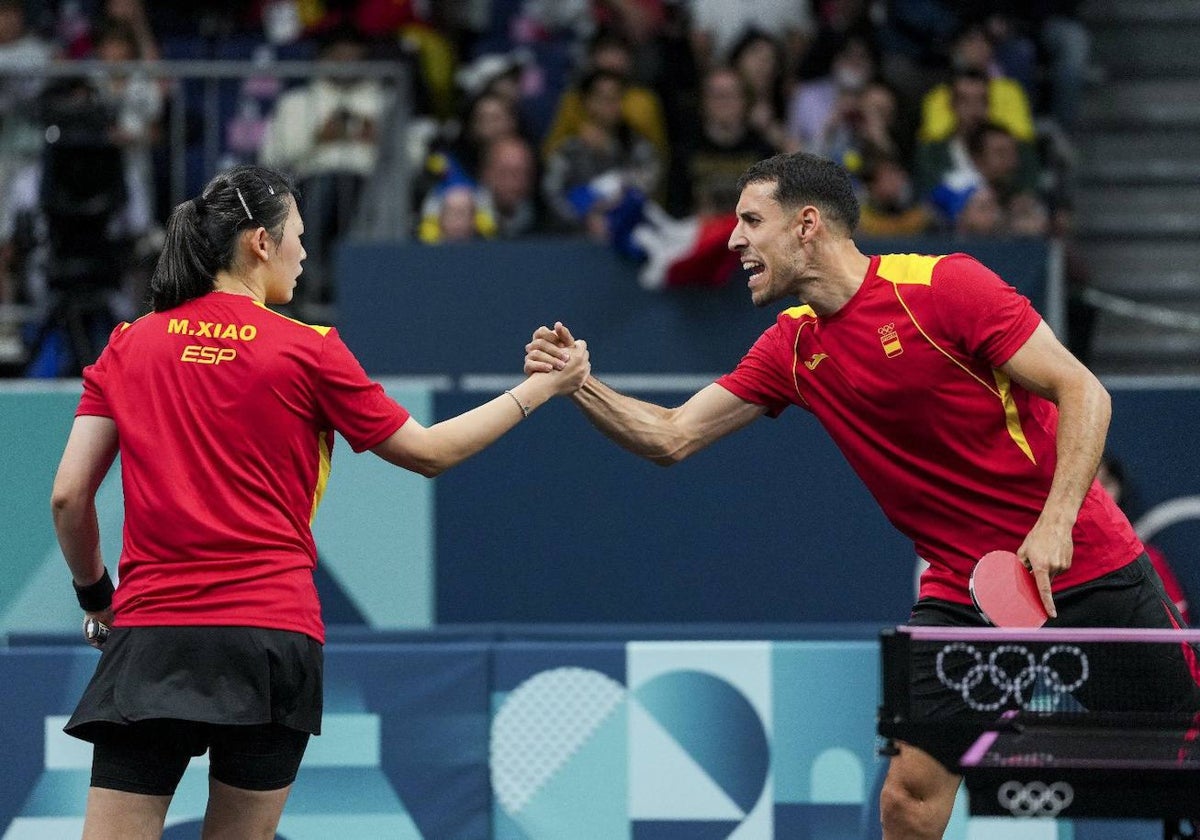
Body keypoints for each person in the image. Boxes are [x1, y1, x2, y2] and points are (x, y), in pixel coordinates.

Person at [524, 151, 1200, 840]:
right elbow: (671, 435)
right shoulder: (791, 346)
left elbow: (1084, 390)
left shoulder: (943, 288)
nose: (733, 240)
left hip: (1082, 563)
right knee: (908, 799)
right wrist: (580, 383)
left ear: (806, 224)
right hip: (963, 590)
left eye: (751, 221)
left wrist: (1055, 523)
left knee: (1187, 757)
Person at [50, 164, 588, 840]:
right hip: (272, 637)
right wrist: (541, 388)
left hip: (154, 634)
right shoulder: (308, 349)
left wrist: (98, 599)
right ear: (259, 243)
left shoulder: (131, 345)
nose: (306, 253)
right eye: (298, 236)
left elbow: (70, 497)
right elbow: (428, 452)